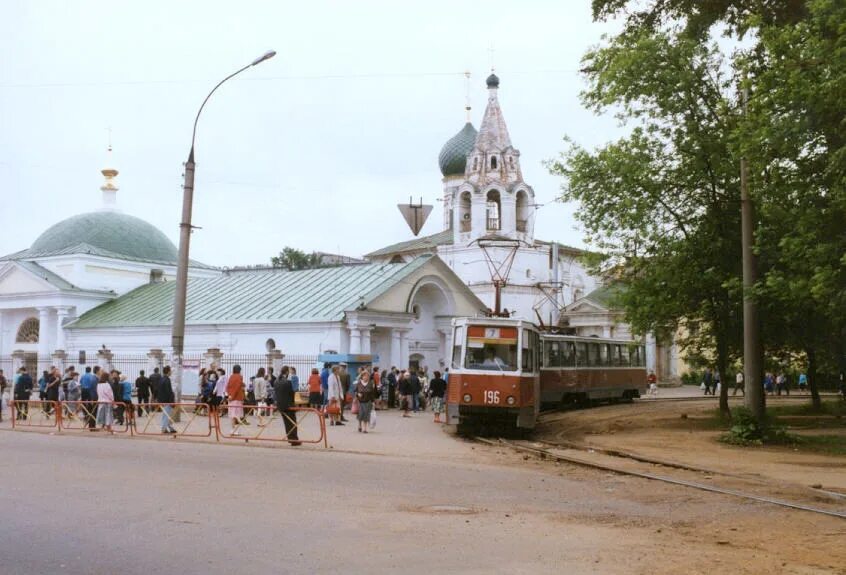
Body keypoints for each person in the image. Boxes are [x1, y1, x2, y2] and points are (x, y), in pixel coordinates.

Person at [273, 366, 301, 445]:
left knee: (286, 423)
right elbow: (291, 394)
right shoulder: (288, 382)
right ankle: (294, 440)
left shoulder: (276, 381)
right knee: (292, 423)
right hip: (288, 405)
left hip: (280, 405)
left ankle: (291, 438)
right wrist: (293, 404)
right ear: (287, 372)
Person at [226, 364, 246, 435]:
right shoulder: (240, 377)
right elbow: (237, 387)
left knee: (232, 414)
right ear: (239, 370)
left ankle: (232, 429)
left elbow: (228, 386)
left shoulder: (231, 376)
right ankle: (235, 430)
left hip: (231, 397)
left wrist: (229, 395)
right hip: (237, 398)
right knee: (237, 414)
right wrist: (233, 396)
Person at [156, 366, 176, 434]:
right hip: (167, 401)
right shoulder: (167, 379)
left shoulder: (161, 379)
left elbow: (158, 390)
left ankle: (170, 428)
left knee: (167, 415)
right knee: (166, 415)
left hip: (162, 400)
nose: (171, 372)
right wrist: (171, 401)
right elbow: (168, 392)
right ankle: (163, 429)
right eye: (170, 370)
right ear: (168, 371)